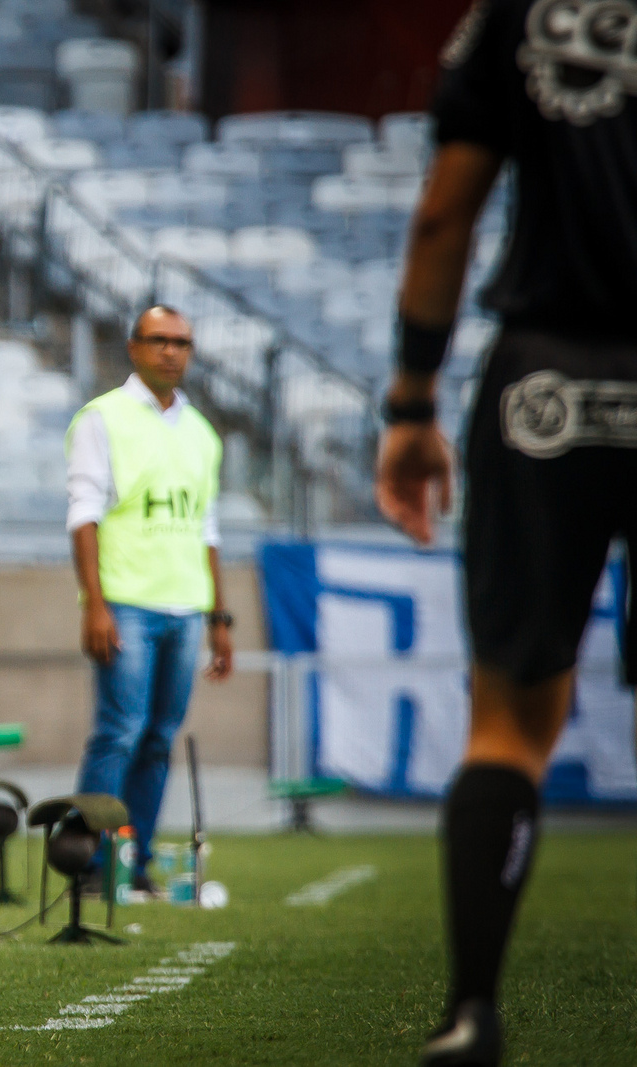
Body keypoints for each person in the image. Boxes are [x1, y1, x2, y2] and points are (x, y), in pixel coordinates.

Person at [376, 5, 637, 1064]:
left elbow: (445, 214)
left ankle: (472, 1012)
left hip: (546, 381)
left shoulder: (517, 14)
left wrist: (409, 402)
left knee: (508, 724)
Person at [64, 305, 233, 896]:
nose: (171, 352)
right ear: (133, 348)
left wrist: (220, 618)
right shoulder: (101, 418)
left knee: (160, 737)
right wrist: (95, 603)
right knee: (120, 732)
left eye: (182, 342)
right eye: (159, 340)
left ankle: (131, 870)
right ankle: (85, 870)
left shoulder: (204, 434)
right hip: (127, 602)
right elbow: (83, 517)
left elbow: (207, 529)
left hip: (187, 607)